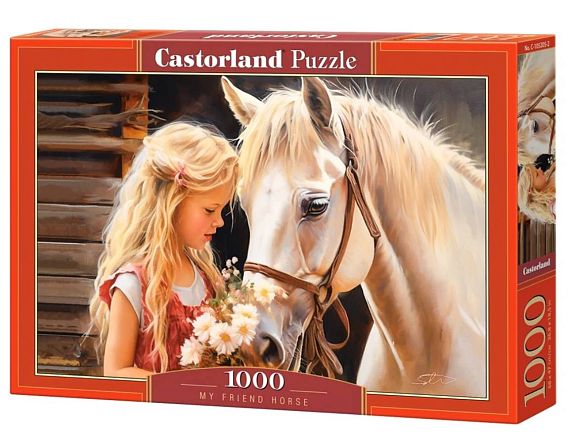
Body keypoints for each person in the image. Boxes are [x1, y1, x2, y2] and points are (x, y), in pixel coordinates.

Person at [88, 122, 239, 378]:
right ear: (172, 202)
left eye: (221, 210)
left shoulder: (207, 278)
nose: (219, 221)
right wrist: (182, 389)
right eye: (209, 210)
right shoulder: (134, 284)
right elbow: (116, 371)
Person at [517, 157, 555, 225]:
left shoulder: (547, 182)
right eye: (537, 174)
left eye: (536, 169)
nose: (539, 169)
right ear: (532, 191)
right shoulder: (553, 205)